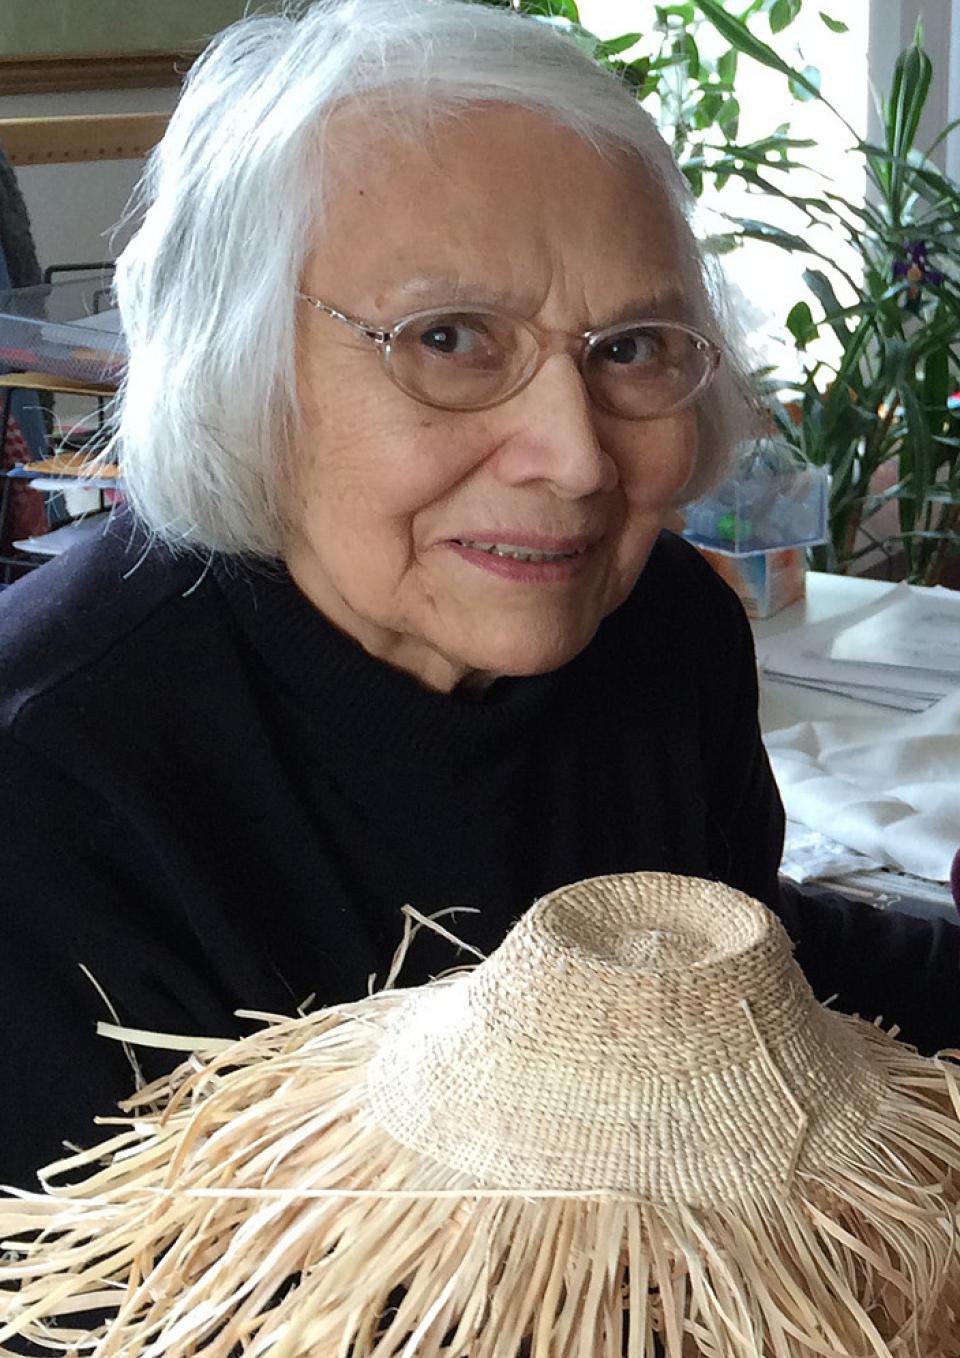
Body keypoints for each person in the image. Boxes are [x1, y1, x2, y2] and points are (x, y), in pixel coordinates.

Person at [0, 0, 956, 1193]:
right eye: (448, 336)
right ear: (230, 362)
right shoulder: (48, 782)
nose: (578, 458)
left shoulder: (662, 628)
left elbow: (732, 980)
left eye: (630, 347)